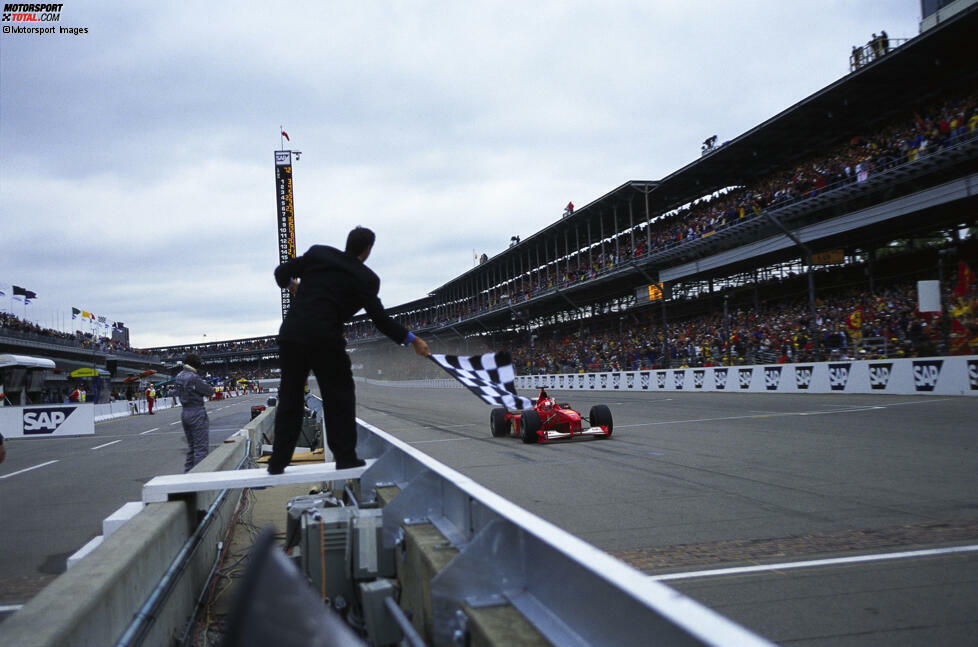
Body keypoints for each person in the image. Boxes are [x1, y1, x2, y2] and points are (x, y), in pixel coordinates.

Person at [268, 226, 430, 475]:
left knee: (290, 396)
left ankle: (278, 462)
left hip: (293, 334)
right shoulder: (366, 279)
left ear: (347, 243)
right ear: (367, 250)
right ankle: (345, 457)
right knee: (339, 397)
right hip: (325, 338)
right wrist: (412, 339)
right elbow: (381, 320)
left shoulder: (319, 254)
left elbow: (281, 272)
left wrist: (292, 284)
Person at [174, 353, 215, 472]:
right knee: (201, 449)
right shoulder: (194, 377)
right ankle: (200, 478)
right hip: (196, 412)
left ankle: (188, 475)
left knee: (192, 448)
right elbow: (209, 391)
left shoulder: (179, 376)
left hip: (185, 411)